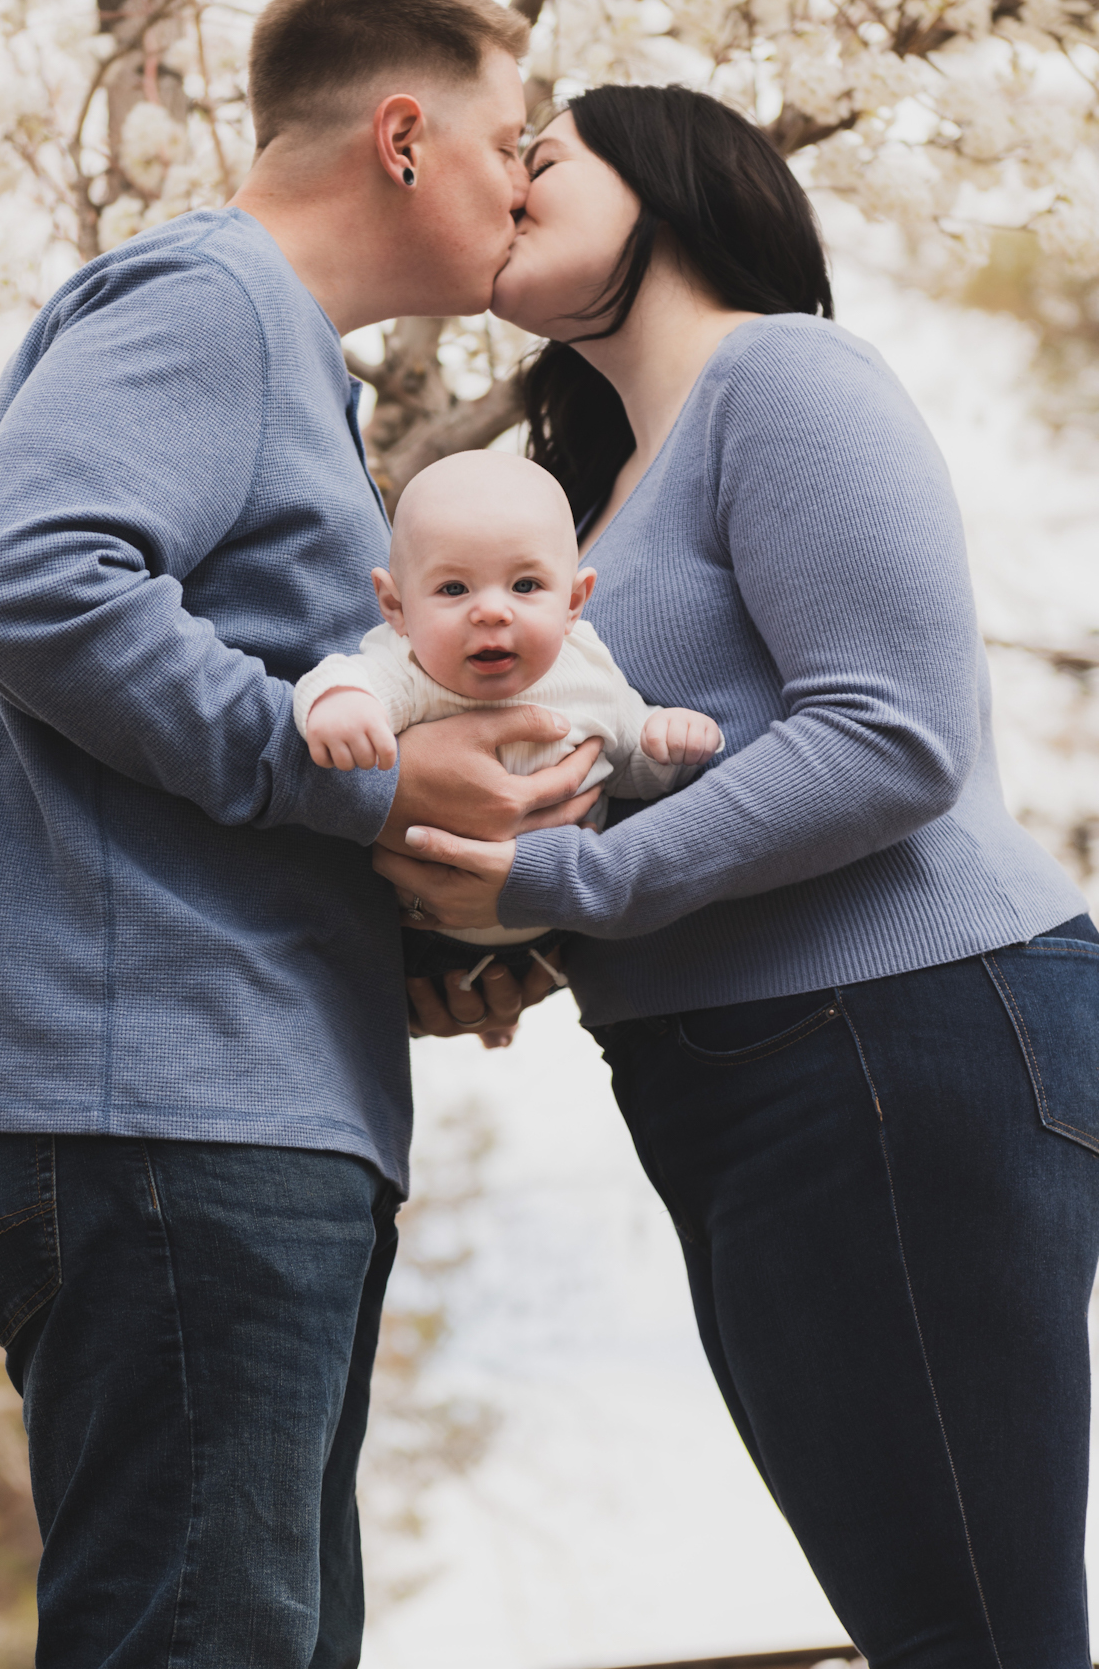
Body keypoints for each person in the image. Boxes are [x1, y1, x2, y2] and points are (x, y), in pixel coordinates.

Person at [0, 0, 607, 1669]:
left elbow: (213, 729)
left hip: (219, 1094)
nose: (527, 180)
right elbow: (30, 585)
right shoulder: (209, 303)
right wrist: (373, 786)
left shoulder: (288, 370)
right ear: (404, 134)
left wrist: (412, 930)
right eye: (511, 139)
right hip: (162, 1099)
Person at [377, 83, 1099, 1662]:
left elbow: (891, 737)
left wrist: (573, 895)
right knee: (923, 1614)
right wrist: (501, 943)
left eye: (542, 161)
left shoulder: (784, 373)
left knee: (976, 1623)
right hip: (745, 1066)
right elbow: (666, 787)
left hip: (899, 1029)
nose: (504, 191)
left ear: (676, 182)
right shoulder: (606, 494)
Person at [295, 449, 721, 998]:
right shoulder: (408, 667)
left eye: (524, 586)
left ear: (573, 602)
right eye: (454, 588)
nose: (492, 611)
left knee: (517, 994)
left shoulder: (590, 672)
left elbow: (626, 767)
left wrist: (664, 744)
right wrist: (340, 705)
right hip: (418, 929)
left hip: (549, 930)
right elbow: (345, 679)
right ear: (395, 606)